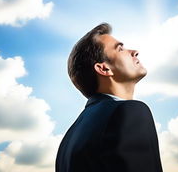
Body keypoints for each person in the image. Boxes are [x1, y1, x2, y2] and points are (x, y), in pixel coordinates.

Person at [55, 23, 163, 172]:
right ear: (104, 68)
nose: (134, 52)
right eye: (120, 49)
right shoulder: (131, 111)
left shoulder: (68, 140)